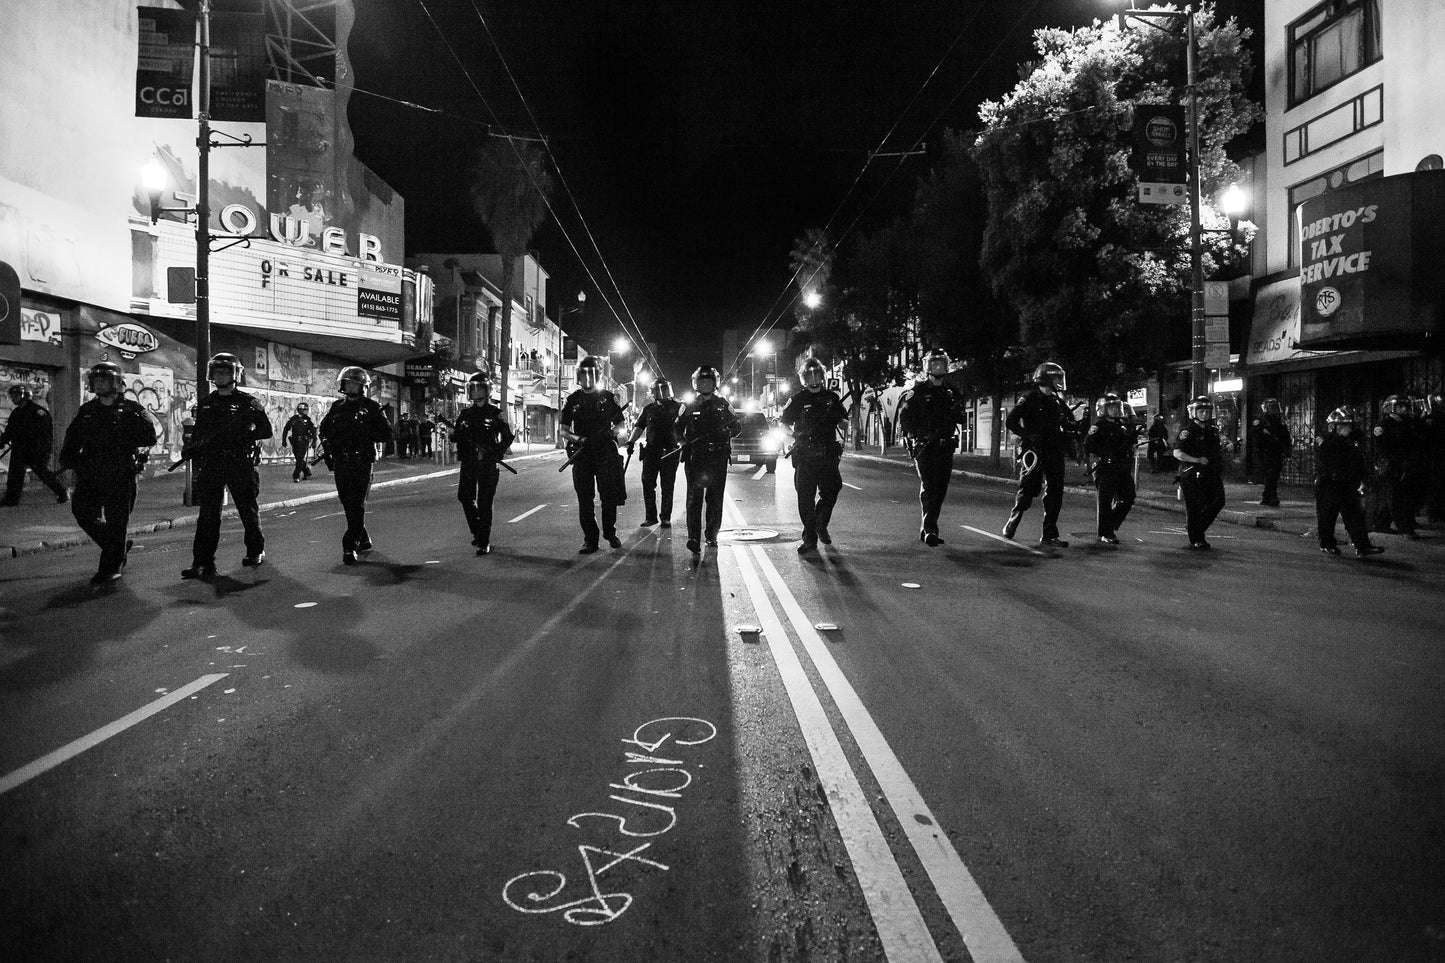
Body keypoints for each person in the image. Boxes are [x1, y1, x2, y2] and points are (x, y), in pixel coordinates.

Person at [55, 363, 157, 584]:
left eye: (105, 379)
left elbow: (149, 438)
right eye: (96, 379)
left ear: (117, 383)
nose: (99, 383)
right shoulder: (87, 411)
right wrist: (68, 464)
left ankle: (110, 567)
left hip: (120, 473)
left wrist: (132, 449)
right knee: (83, 513)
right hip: (90, 472)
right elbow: (72, 439)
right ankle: (117, 547)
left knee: (117, 521)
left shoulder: (133, 410)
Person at [182, 353, 272, 579]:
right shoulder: (206, 404)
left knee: (247, 509)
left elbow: (266, 430)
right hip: (213, 463)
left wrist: (243, 436)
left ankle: (255, 550)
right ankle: (202, 562)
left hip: (239, 461)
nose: (220, 376)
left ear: (235, 375)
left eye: (225, 372)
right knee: (208, 515)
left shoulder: (247, 403)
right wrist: (193, 448)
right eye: (217, 372)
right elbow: (200, 434)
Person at [318, 366, 394, 565]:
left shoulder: (372, 407)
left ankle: (349, 545)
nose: (350, 387)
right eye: (348, 384)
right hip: (342, 460)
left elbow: (387, 434)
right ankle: (364, 537)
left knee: (357, 504)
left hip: (362, 460)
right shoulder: (337, 407)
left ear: (362, 387)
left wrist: (366, 429)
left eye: (355, 384)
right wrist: (327, 445)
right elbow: (324, 430)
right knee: (347, 502)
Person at [1002, 362, 1076, 547]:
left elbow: (1068, 422)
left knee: (1055, 492)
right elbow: (1011, 422)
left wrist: (1074, 429)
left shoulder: (1057, 401)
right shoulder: (1029, 399)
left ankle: (1050, 534)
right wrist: (1028, 436)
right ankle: (1014, 519)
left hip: (1054, 451)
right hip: (1034, 451)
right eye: (1056, 377)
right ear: (1047, 379)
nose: (1059, 382)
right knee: (1028, 490)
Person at [895, 349, 964, 546]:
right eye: (934, 364)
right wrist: (916, 434)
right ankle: (930, 530)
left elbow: (960, 416)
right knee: (929, 486)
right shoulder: (916, 392)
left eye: (941, 363)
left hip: (945, 446)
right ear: (927, 367)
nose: (938, 367)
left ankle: (926, 527)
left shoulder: (952, 391)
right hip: (925, 447)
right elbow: (905, 418)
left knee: (940, 489)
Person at [560, 355, 628, 554]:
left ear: (597, 376)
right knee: (585, 498)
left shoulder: (608, 397)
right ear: (578, 377)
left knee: (608, 496)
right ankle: (590, 539)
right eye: (583, 375)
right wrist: (579, 439)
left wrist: (612, 433)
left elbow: (620, 424)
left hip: (605, 453)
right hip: (582, 455)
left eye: (591, 375)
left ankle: (610, 532)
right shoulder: (573, 400)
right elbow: (563, 430)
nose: (587, 379)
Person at [781, 358, 848, 553]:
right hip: (805, 455)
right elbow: (783, 424)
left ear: (822, 376)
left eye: (816, 375)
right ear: (803, 378)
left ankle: (820, 522)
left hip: (827, 453)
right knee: (805, 497)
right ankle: (809, 538)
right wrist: (794, 435)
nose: (813, 379)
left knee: (833, 488)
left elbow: (843, 420)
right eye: (809, 375)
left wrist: (845, 424)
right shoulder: (797, 399)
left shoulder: (832, 398)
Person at [676, 364, 740, 555]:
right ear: (696, 383)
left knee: (715, 498)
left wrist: (725, 430)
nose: (705, 385)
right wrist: (682, 443)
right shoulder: (688, 406)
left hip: (717, 457)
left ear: (715, 383)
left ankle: (711, 535)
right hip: (695, 458)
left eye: (708, 381)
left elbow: (737, 427)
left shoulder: (723, 404)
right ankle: (693, 538)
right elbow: (677, 430)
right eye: (702, 381)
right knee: (694, 499)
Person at [450, 373, 514, 555]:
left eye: (480, 387)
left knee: (485, 503)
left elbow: (508, 437)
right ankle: (478, 530)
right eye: (474, 387)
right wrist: (458, 434)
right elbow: (455, 435)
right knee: (464, 497)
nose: (476, 391)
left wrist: (495, 452)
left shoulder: (495, 414)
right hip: (469, 463)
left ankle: (483, 541)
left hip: (487, 464)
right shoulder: (465, 415)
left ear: (487, 390)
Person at [1315, 406, 1384, 559]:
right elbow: (1328, 455)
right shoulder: (1325, 440)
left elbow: (1360, 462)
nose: (1347, 428)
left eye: (1349, 425)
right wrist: (1341, 439)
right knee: (1327, 516)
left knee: (1355, 516)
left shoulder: (1354, 442)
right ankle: (1327, 544)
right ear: (1333, 426)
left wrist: (1364, 479)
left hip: (1348, 484)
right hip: (1329, 484)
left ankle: (1362, 546)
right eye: (1343, 425)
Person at [626, 376, 684, 527]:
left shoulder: (679, 407)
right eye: (659, 390)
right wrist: (631, 441)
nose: (662, 392)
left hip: (670, 452)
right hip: (651, 452)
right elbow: (639, 427)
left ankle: (665, 517)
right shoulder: (648, 409)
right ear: (653, 392)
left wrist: (685, 444)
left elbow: (687, 427)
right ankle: (650, 517)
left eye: (664, 389)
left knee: (667, 485)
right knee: (647, 484)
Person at [1083, 393, 1139, 546]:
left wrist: (1131, 443)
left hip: (1121, 467)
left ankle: (1111, 522)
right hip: (1105, 467)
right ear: (1103, 409)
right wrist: (1105, 451)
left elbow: (1125, 447)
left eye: (1116, 407)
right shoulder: (1098, 426)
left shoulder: (1121, 426)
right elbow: (1088, 446)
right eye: (1111, 407)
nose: (1115, 410)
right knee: (1105, 502)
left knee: (1129, 496)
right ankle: (1105, 533)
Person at [1, 383, 69, 506]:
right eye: (13, 396)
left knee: (43, 473)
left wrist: (40, 447)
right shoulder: (16, 413)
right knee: (15, 474)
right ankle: (11, 499)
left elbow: (45, 432)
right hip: (20, 448)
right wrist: (3, 440)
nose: (14, 398)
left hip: (35, 449)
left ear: (25, 395)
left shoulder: (38, 412)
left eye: (16, 395)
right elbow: (10, 430)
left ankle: (62, 491)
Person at [1173, 395, 1226, 550]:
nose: (1205, 414)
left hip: (1211, 472)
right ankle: (1197, 538)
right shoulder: (1187, 431)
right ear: (1194, 412)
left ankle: (1196, 528)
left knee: (1218, 501)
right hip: (1192, 473)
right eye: (1201, 411)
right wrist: (1196, 460)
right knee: (1194, 506)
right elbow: (1177, 452)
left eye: (1207, 411)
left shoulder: (1212, 430)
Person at [1372, 393, 1421, 539]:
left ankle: (1381, 523)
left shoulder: (1407, 422)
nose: (1404, 410)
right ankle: (1405, 528)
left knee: (1395, 496)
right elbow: (1383, 446)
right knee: (1396, 497)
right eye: (1400, 407)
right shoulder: (1384, 425)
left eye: (1405, 406)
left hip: (1405, 464)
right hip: (1391, 465)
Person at [1250, 397, 1292, 507]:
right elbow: (1256, 435)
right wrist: (1266, 436)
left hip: (1277, 452)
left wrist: (1287, 449)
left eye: (1275, 408)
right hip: (1265, 452)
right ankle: (1271, 496)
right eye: (1271, 408)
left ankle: (1267, 496)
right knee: (1270, 474)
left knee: (1274, 474)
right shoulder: (1261, 420)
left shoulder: (1279, 421)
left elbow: (1285, 436)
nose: (1274, 410)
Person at [281, 402, 318, 482]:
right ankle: (306, 471)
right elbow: (286, 429)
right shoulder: (293, 419)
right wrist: (283, 440)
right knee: (299, 459)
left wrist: (314, 441)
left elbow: (313, 431)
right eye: (304, 410)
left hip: (304, 441)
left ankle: (296, 475)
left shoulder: (307, 420)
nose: (304, 411)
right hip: (294, 441)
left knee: (299, 459)